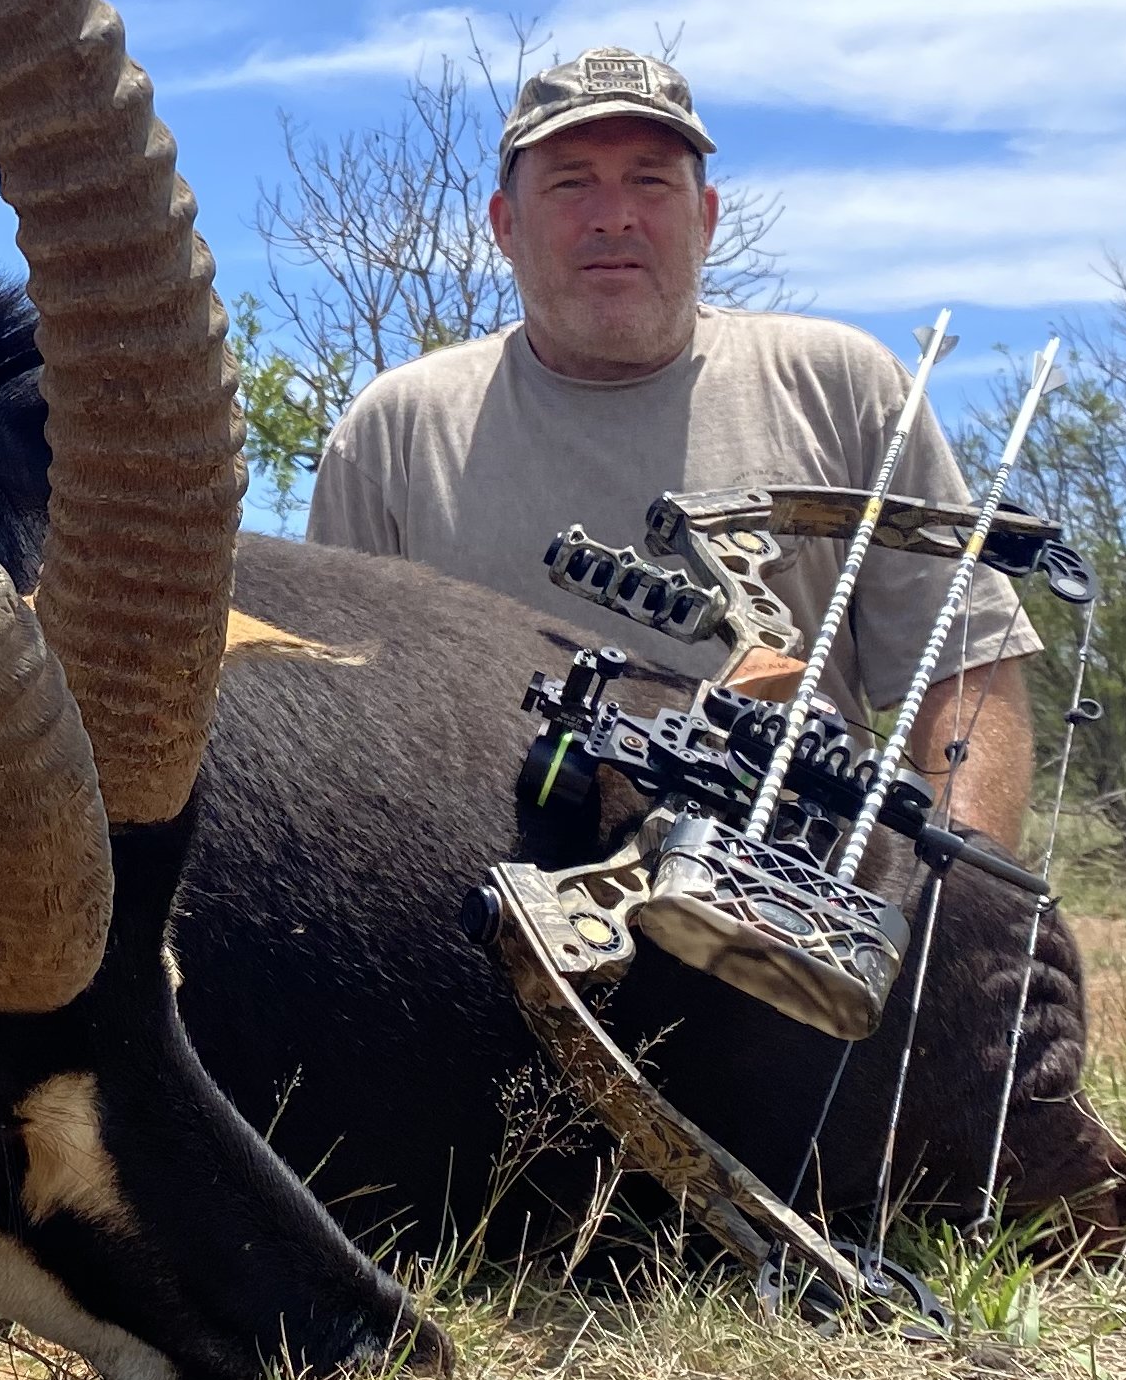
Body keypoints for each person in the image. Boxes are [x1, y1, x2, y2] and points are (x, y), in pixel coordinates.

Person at [305, 48, 1040, 846]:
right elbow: (332, 709)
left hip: (788, 920)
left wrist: (953, 902)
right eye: (571, 181)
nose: (613, 215)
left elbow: (962, 668)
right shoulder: (396, 431)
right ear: (505, 225)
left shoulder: (845, 386)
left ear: (707, 218)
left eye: (651, 181)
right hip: (472, 908)